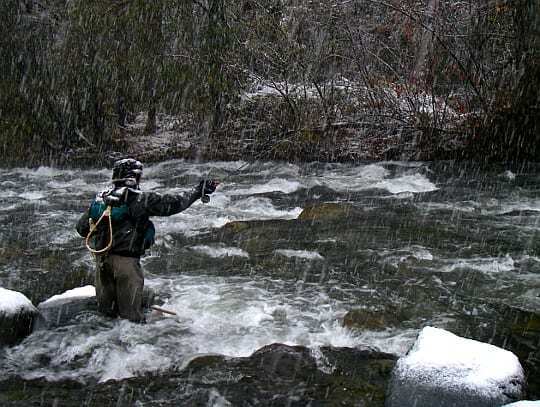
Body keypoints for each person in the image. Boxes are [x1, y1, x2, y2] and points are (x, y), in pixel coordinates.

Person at [76, 158, 218, 322]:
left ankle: (102, 343)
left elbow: (81, 229)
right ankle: (131, 344)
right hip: (127, 265)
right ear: (135, 177)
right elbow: (174, 204)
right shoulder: (141, 199)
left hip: (102, 262)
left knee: (107, 315)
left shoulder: (101, 199)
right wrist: (198, 191)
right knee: (131, 319)